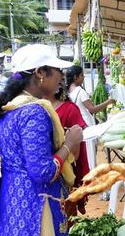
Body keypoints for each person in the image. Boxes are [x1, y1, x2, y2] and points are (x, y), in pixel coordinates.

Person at [0, 44, 83, 236]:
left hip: (12, 203)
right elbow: (43, 172)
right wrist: (69, 143)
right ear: (40, 73)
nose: (62, 76)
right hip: (35, 208)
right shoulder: (33, 113)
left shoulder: (8, 109)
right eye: (58, 70)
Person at [43, 82, 90, 214]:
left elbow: (76, 154)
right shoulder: (32, 109)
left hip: (63, 175)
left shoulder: (69, 109)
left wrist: (65, 146)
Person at [66, 65, 115, 169]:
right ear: (76, 77)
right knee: (90, 158)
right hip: (87, 128)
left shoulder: (68, 92)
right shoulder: (80, 91)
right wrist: (108, 102)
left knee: (83, 158)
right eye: (82, 75)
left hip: (78, 128)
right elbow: (92, 109)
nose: (83, 77)